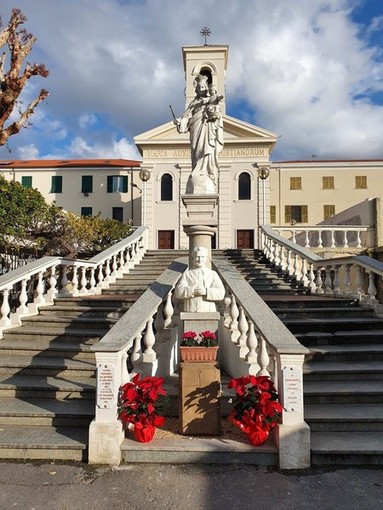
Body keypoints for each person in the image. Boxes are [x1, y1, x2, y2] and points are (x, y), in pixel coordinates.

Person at [175, 75, 224, 193]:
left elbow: (216, 111)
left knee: (207, 148)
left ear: (206, 87)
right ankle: (197, 171)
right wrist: (180, 122)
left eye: (203, 86)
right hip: (196, 128)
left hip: (207, 128)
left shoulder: (210, 100)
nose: (202, 88)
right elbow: (186, 117)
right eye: (199, 87)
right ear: (196, 89)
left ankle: (204, 172)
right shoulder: (194, 103)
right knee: (196, 150)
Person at [175, 246, 225, 312]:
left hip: (208, 310)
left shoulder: (212, 274)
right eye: (197, 257)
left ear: (206, 258)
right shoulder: (187, 274)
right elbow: (178, 292)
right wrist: (192, 290)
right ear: (193, 258)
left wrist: (206, 291)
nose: (200, 259)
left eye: (202, 257)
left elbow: (221, 293)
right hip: (191, 309)